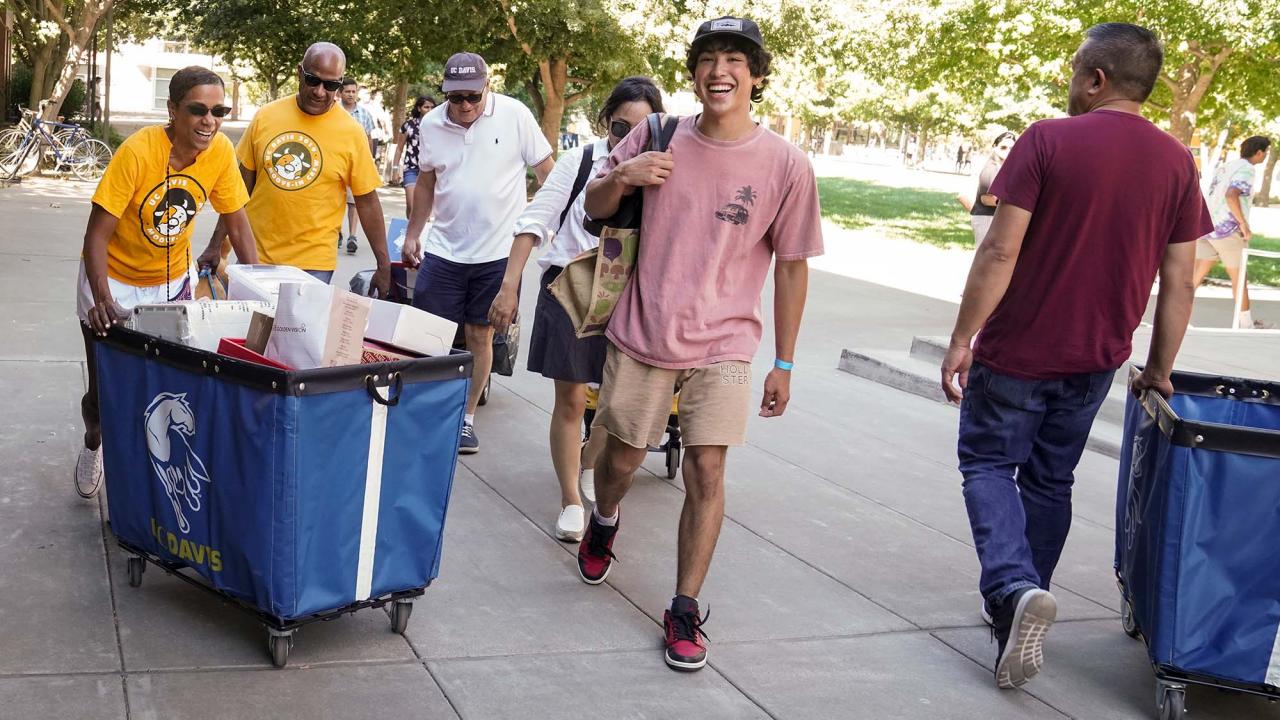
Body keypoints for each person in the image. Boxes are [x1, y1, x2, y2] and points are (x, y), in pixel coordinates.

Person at [939, 23, 1209, 690]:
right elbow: (1181, 279)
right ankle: (1021, 608)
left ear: (1095, 79)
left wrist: (962, 337)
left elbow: (999, 250)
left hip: (1018, 350)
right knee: (1051, 481)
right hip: (1097, 359)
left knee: (987, 463)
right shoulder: (1178, 163)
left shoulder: (1047, 139)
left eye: (1075, 70)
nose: (1070, 81)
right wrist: (1160, 368)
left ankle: (1011, 586)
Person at [578, 17, 823, 672]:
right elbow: (593, 210)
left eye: (736, 60)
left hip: (726, 342)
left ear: (758, 75)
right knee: (623, 461)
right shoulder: (654, 135)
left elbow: (793, 263)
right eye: (709, 58)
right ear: (694, 73)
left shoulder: (786, 164)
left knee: (707, 470)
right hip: (643, 332)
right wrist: (625, 174)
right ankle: (605, 516)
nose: (722, 70)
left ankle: (685, 606)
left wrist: (785, 362)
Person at [488, 77, 665, 542]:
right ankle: (571, 500)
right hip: (568, 288)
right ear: (606, 121)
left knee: (616, 406)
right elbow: (535, 220)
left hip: (625, 296)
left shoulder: (660, 171)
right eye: (618, 126)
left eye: (639, 129)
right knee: (570, 401)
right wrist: (510, 287)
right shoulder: (582, 160)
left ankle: (588, 460)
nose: (626, 137)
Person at [75, 66, 258, 497]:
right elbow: (95, 235)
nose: (209, 120)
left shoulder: (219, 153)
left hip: (171, 281)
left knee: (170, 384)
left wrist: (260, 288)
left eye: (219, 110)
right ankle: (93, 441)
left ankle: (151, 475)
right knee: (104, 392)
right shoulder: (137, 152)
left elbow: (240, 226)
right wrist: (102, 299)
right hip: (113, 279)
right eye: (198, 110)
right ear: (173, 110)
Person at [401, 51, 555, 454]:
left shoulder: (516, 114)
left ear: (488, 86)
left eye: (473, 95)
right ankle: (429, 413)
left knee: (480, 335)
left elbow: (547, 174)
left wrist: (540, 227)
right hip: (444, 248)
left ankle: (466, 418)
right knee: (429, 335)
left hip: (498, 253)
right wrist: (414, 233)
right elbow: (428, 184)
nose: (466, 105)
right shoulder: (431, 125)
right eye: (456, 98)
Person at [202, 43, 391, 293]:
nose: (321, 92)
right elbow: (238, 190)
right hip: (254, 258)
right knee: (248, 331)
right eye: (313, 80)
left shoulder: (351, 132)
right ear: (299, 72)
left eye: (331, 85)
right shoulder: (266, 117)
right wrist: (216, 244)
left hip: (313, 267)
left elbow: (367, 201)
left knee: (297, 333)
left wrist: (384, 265)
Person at [1192, 135, 1271, 328]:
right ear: (1259, 152)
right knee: (1239, 277)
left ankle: (1174, 316)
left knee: (1193, 278)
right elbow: (1231, 195)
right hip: (1228, 230)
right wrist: (1243, 224)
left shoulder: (1226, 166)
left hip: (1208, 227)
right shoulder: (1247, 169)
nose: (1265, 156)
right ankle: (1246, 324)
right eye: (1266, 153)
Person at [956, 132, 1016, 246]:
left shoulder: (1003, 168)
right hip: (986, 218)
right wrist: (1014, 206)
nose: (1007, 151)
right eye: (1003, 147)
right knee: (985, 257)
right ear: (995, 147)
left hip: (993, 218)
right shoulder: (991, 168)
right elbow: (986, 199)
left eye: (1012, 148)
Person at [340, 78, 376, 255]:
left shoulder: (365, 114)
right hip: (337, 162)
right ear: (340, 93)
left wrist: (369, 161)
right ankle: (337, 231)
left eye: (354, 91)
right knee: (337, 200)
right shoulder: (333, 112)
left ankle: (352, 236)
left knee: (354, 202)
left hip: (356, 165)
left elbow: (369, 138)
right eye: (347, 91)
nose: (351, 94)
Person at [392, 95, 436, 220]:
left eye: (432, 107)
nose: (429, 110)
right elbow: (399, 148)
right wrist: (395, 170)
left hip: (430, 170)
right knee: (411, 204)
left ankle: (420, 234)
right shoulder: (408, 125)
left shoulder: (438, 126)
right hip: (411, 168)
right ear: (419, 108)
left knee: (425, 207)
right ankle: (409, 228)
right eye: (426, 107)